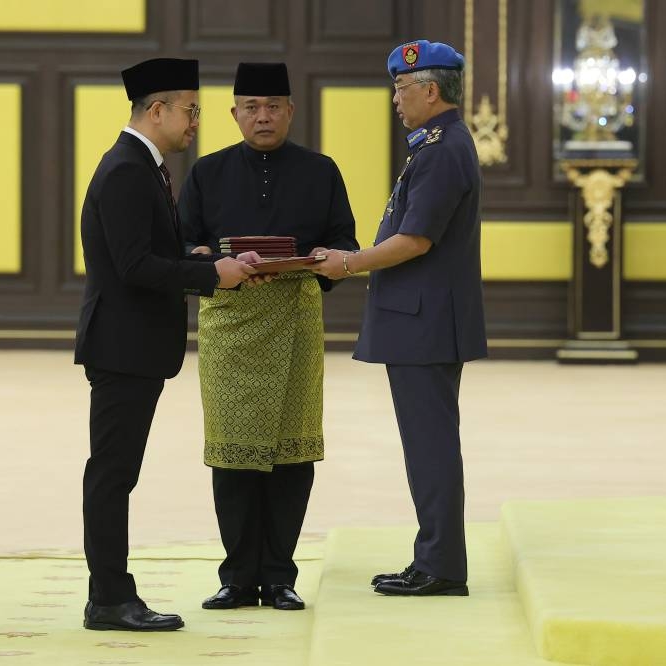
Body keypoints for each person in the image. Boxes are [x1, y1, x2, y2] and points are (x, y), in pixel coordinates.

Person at [74, 57, 256, 632]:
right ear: (157, 111)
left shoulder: (142, 165)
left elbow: (153, 249)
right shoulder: (128, 169)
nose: (196, 121)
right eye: (191, 110)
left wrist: (200, 258)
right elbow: (132, 266)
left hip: (132, 345)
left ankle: (109, 592)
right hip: (122, 346)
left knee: (115, 472)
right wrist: (211, 277)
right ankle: (108, 598)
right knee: (112, 474)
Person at [177, 62, 359, 611]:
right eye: (252, 107)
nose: (263, 117)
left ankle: (280, 574)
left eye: (273, 107)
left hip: (296, 321)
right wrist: (209, 258)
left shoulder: (321, 170)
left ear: (290, 112)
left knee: (290, 452)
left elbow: (343, 241)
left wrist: (325, 257)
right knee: (232, 453)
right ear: (234, 114)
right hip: (230, 325)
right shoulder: (206, 173)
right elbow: (183, 247)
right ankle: (236, 577)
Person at [312, 40, 487, 596]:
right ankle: (432, 557)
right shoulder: (437, 144)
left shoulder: (441, 149)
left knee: (430, 445)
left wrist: (350, 262)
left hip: (424, 320)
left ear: (429, 90)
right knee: (426, 444)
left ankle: (440, 566)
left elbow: (415, 239)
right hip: (422, 317)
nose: (394, 98)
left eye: (401, 87)